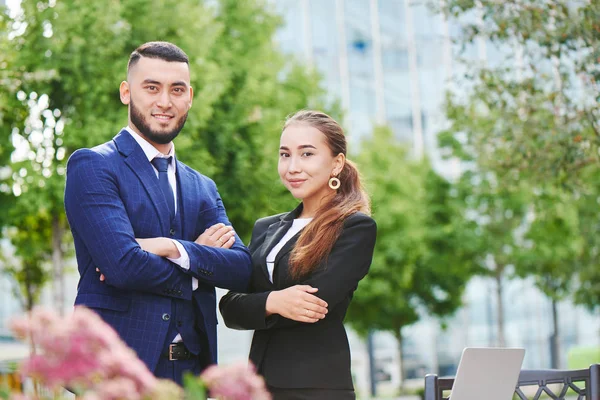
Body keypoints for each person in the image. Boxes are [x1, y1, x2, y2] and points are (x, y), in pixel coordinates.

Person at [64, 41, 252, 385]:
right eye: (151, 88)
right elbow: (123, 266)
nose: (165, 101)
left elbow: (241, 269)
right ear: (126, 92)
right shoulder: (93, 166)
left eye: (176, 90)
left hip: (192, 375)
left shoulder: (202, 186)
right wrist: (199, 264)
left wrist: (171, 248)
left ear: (190, 97)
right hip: (116, 373)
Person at [219, 110, 377, 399]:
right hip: (258, 386)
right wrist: (275, 301)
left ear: (336, 163)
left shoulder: (355, 227)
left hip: (316, 386)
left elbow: (313, 304)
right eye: (284, 154)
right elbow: (230, 307)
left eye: (306, 154)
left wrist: (258, 305)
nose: (292, 167)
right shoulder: (265, 228)